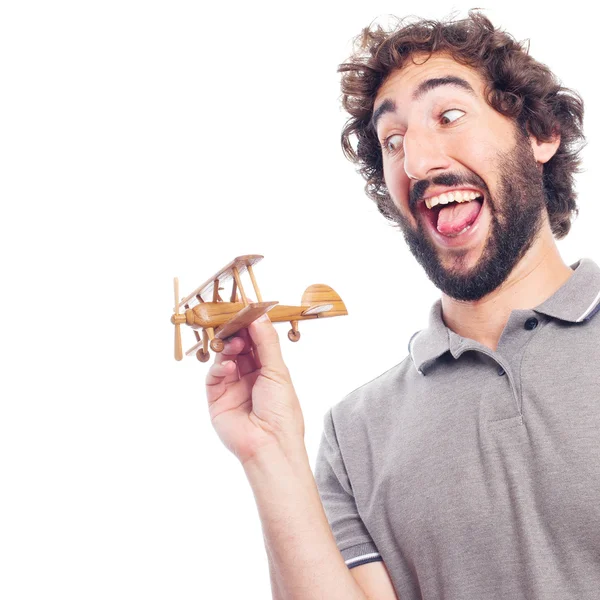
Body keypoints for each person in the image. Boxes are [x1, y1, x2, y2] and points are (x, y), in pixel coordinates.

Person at [205, 10, 600, 599]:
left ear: (540, 134)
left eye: (449, 116)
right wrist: (271, 453)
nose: (417, 163)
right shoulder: (355, 432)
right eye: (394, 142)